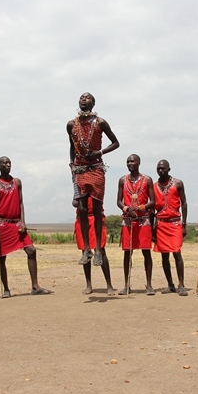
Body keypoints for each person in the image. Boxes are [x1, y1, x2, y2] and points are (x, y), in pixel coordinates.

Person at [67, 92, 120, 267]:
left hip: (96, 169)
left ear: (93, 103)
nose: (83, 99)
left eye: (87, 97)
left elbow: (116, 143)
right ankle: (87, 249)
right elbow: (72, 146)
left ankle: (98, 249)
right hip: (80, 170)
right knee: (82, 209)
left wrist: (100, 152)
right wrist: (72, 165)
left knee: (97, 210)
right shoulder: (71, 125)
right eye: (81, 97)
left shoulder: (100, 122)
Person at [0, 156, 53, 297]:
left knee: (31, 250)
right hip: (1, 224)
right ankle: (6, 289)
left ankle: (35, 286)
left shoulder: (17, 182)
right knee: (1, 257)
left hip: (16, 224)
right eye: (5, 163)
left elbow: (21, 203)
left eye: (9, 163)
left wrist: (23, 222)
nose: (8, 165)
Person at [117, 154, 156, 295]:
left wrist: (140, 208)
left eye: (132, 161)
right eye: (128, 161)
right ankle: (126, 285)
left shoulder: (147, 180)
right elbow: (119, 201)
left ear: (139, 163)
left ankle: (149, 285)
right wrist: (127, 208)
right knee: (127, 253)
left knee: (146, 252)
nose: (129, 163)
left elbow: (153, 201)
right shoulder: (122, 180)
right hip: (128, 221)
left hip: (143, 220)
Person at [153, 160, 188, 296]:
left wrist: (184, 224)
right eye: (158, 168)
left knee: (177, 253)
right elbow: (151, 209)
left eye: (163, 168)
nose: (160, 170)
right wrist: (152, 229)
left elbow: (184, 203)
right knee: (164, 255)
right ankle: (170, 285)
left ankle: (181, 285)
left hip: (175, 223)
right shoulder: (154, 186)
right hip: (161, 224)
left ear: (169, 169)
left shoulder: (178, 183)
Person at [74, 196, 115, 295]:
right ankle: (88, 285)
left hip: (96, 219)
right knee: (85, 252)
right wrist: (78, 201)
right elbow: (74, 202)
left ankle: (109, 285)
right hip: (82, 219)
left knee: (100, 250)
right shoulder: (80, 189)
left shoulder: (96, 188)